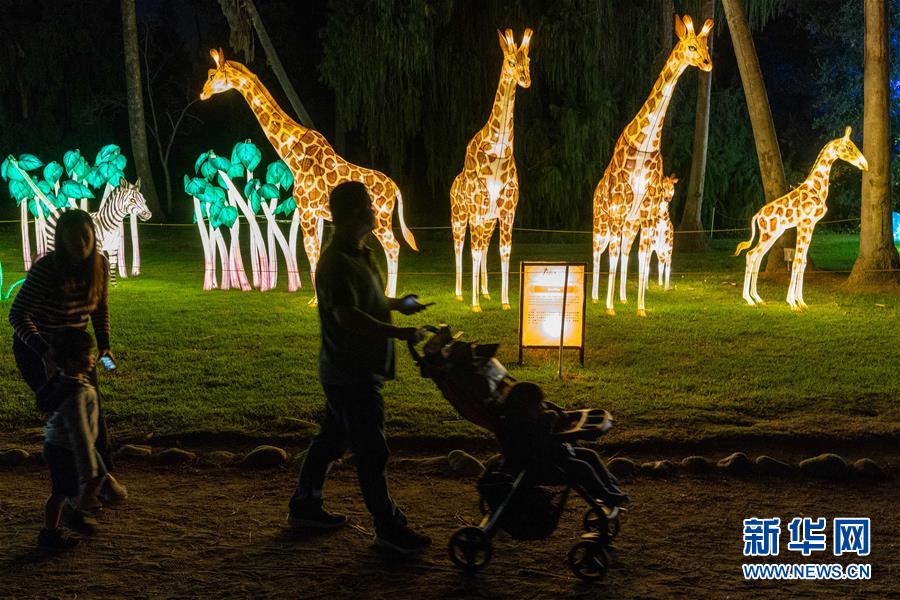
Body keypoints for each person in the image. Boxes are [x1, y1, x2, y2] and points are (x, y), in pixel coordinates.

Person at [288, 181, 432, 555]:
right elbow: (348, 316)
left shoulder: (356, 253)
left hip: (349, 369)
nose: (374, 210)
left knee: (332, 439)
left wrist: (399, 303)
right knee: (372, 449)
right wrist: (400, 332)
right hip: (350, 372)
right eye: (368, 205)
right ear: (353, 214)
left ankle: (305, 505)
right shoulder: (336, 262)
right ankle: (388, 526)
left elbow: (366, 300)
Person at [9, 209, 127, 505]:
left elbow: (100, 308)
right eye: (71, 237)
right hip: (38, 349)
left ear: (93, 236)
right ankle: (83, 485)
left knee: (93, 410)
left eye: (84, 236)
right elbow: (18, 314)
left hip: (75, 351)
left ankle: (102, 477)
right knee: (70, 416)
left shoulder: (99, 264)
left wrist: (104, 345)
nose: (79, 242)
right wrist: (44, 352)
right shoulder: (47, 269)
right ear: (60, 240)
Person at [500, 382, 628, 509]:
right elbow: (541, 439)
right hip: (534, 467)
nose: (541, 408)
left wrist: (553, 411)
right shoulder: (520, 424)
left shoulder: (525, 417)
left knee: (590, 455)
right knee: (582, 467)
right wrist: (550, 418)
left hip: (546, 458)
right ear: (526, 406)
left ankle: (611, 487)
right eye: (538, 406)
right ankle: (605, 495)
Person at [38, 328, 108, 550]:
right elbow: (79, 432)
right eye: (88, 354)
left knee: (100, 476)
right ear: (71, 360)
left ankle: (78, 508)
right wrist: (87, 466)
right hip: (64, 448)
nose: (92, 358)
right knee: (60, 493)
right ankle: (50, 535)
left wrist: (108, 359)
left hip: (76, 444)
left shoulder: (72, 379)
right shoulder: (74, 393)